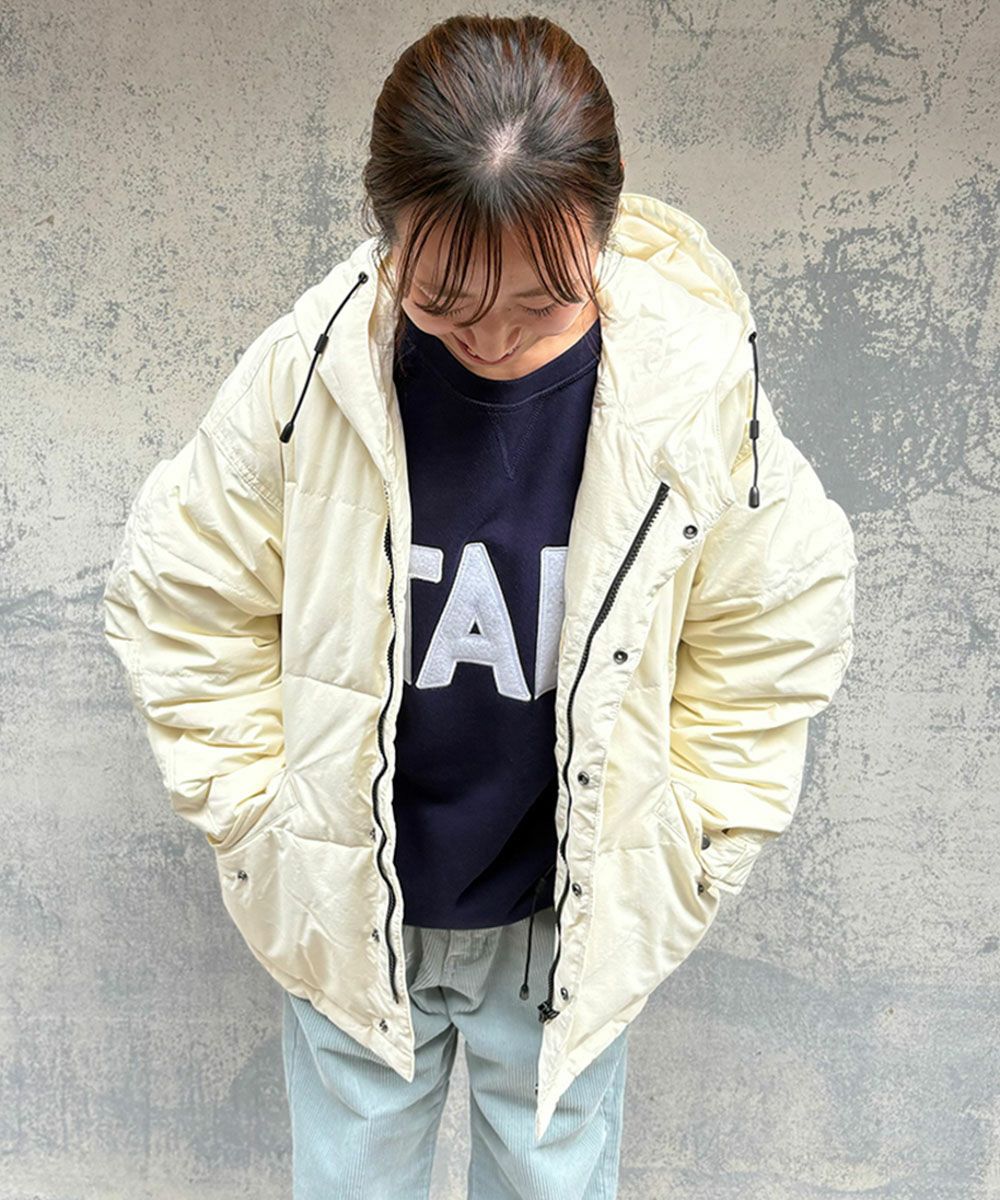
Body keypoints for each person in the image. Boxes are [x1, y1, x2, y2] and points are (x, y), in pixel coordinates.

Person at [102, 13, 857, 1200]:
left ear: (600, 233)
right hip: (353, 903)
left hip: (566, 922)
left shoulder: (694, 392)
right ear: (387, 232)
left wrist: (694, 842)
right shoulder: (307, 376)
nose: (494, 339)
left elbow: (775, 617)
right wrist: (256, 818)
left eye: (542, 303)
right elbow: (184, 593)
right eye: (447, 301)